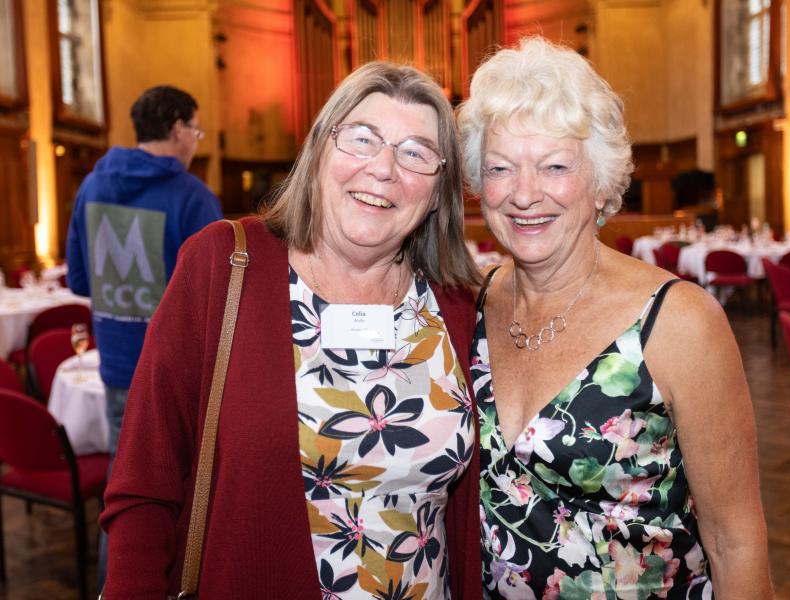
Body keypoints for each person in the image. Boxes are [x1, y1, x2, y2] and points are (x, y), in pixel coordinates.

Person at [99, 62, 483, 599]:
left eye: (416, 152)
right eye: (362, 138)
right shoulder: (223, 265)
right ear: (320, 150)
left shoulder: (457, 305)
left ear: (439, 188)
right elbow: (144, 482)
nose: (383, 168)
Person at [458, 37, 772, 599]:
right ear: (480, 185)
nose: (524, 194)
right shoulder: (470, 306)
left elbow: (735, 544)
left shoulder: (680, 323)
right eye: (501, 168)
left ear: (601, 183)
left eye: (555, 166)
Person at [65, 84, 222, 588]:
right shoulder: (192, 198)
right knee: (194, 491)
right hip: (179, 373)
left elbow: (80, 280)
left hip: (115, 365)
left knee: (127, 495)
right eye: (195, 131)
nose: (195, 142)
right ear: (177, 128)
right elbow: (220, 298)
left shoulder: (91, 186)